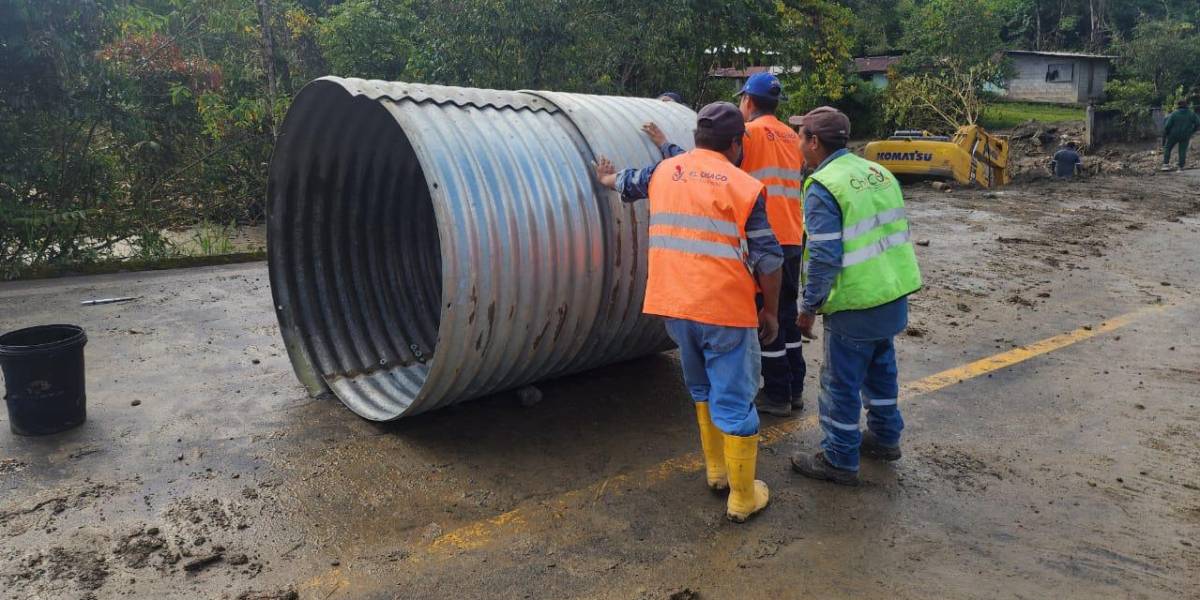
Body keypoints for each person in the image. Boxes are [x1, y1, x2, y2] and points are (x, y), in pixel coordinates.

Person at [594, 102, 784, 522]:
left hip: (674, 305)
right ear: (736, 144)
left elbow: (622, 181)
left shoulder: (665, 171)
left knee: (700, 387)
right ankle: (741, 496)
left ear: (698, 137)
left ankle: (717, 471)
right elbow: (769, 260)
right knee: (734, 397)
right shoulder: (743, 186)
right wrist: (770, 312)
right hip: (725, 310)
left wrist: (604, 176)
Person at [788, 107, 923, 487]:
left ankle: (839, 458)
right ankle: (884, 437)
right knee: (881, 371)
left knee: (839, 384)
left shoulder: (822, 185)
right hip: (892, 292)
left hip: (856, 301)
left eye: (801, 136)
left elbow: (825, 256)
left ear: (814, 141)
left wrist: (808, 307)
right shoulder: (877, 171)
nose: (798, 143)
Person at [735, 72, 808, 419]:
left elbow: (716, 164)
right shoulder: (793, 136)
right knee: (787, 317)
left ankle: (776, 392)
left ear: (748, 101)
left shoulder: (748, 134)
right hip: (793, 235)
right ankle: (795, 389)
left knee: (767, 319)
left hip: (764, 239)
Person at [1161, 100, 1200, 171]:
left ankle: (1165, 165)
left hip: (1173, 135)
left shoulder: (1174, 114)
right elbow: (1198, 124)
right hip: (1185, 135)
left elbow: (1167, 126)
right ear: (1186, 105)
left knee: (1168, 148)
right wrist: (1192, 131)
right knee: (1182, 150)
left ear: (1178, 106)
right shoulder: (1191, 114)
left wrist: (1166, 133)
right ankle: (1180, 167)